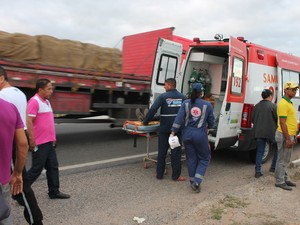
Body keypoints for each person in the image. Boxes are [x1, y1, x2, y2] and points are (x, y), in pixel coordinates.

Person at [0, 66, 44, 225]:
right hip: (20, 135)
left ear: (1, 78)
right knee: (18, 183)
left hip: (10, 139)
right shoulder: (19, 93)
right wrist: (31, 138)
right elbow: (24, 119)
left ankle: (35, 220)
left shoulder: (2, 96)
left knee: (19, 185)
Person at [26, 78, 70, 199]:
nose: (51, 91)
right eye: (49, 89)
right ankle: (20, 194)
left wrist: (53, 138)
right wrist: (32, 140)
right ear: (40, 90)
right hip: (39, 142)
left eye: (52, 89)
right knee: (36, 169)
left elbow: (49, 122)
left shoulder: (46, 102)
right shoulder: (34, 101)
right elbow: (29, 121)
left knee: (53, 166)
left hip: (49, 141)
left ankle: (54, 191)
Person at [171, 83, 215, 193]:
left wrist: (173, 132)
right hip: (200, 135)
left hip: (187, 135)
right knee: (205, 158)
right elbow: (211, 122)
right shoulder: (207, 105)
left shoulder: (185, 103)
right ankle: (197, 181)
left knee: (191, 158)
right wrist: (210, 126)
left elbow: (178, 119)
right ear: (201, 92)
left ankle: (192, 180)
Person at [143, 78, 186, 181]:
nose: (164, 86)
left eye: (165, 85)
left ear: (170, 85)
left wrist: (146, 121)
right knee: (176, 153)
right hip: (176, 131)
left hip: (164, 129)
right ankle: (176, 176)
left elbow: (153, 109)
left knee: (162, 152)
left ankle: (159, 175)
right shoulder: (183, 97)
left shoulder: (163, 96)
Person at [0, 98, 28, 225]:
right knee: (5, 216)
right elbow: (22, 145)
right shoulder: (10, 107)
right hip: (3, 180)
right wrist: (17, 173)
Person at [274, 81, 298, 191]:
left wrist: (293, 136)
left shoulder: (289, 103)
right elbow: (283, 123)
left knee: (286, 159)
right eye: (292, 89)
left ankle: (284, 178)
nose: (294, 91)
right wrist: (288, 139)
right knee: (282, 159)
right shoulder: (283, 103)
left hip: (289, 135)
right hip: (284, 135)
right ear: (286, 90)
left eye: (295, 90)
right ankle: (280, 181)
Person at [251, 89, 278, 178]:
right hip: (271, 133)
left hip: (259, 132)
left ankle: (257, 171)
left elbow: (252, 120)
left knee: (260, 151)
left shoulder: (256, 106)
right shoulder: (273, 106)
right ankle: (273, 168)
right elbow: (277, 120)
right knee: (277, 148)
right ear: (270, 96)